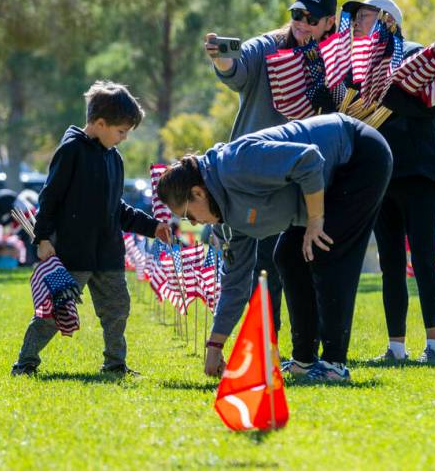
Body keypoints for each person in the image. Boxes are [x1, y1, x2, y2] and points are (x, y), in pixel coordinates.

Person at [155, 114, 392, 382]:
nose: (195, 224)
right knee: (288, 256)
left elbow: (309, 160)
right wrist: (215, 345)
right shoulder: (225, 219)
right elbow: (236, 282)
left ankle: (334, 365)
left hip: (358, 155)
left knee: (325, 250)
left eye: (189, 215)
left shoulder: (236, 164)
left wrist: (316, 222)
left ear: (198, 192)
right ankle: (304, 361)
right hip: (323, 182)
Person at [203, 0, 340, 347]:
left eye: (312, 19)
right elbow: (239, 63)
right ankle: (266, 347)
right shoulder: (270, 45)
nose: (301, 23)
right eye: (297, 14)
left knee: (301, 266)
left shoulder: (337, 56)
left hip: (306, 177)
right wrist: (222, 57)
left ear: (330, 21)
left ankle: (307, 350)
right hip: (255, 179)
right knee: (261, 268)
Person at [11, 81, 170, 377]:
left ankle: (115, 363)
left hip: (108, 253)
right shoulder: (70, 151)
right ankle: (25, 363)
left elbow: (117, 208)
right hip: (73, 253)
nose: (123, 138)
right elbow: (50, 197)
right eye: (121, 131)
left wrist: (152, 227)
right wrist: (43, 238)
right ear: (99, 123)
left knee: (117, 309)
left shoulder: (114, 158)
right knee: (55, 311)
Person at [343, 0, 435, 364]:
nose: (357, 22)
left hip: (420, 172)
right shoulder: (361, 68)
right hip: (383, 175)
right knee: (391, 262)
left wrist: (382, 94)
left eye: (365, 15)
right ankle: (396, 347)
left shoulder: (418, 56)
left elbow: (428, 104)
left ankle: (434, 347)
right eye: (356, 17)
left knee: (422, 257)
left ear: (388, 20)